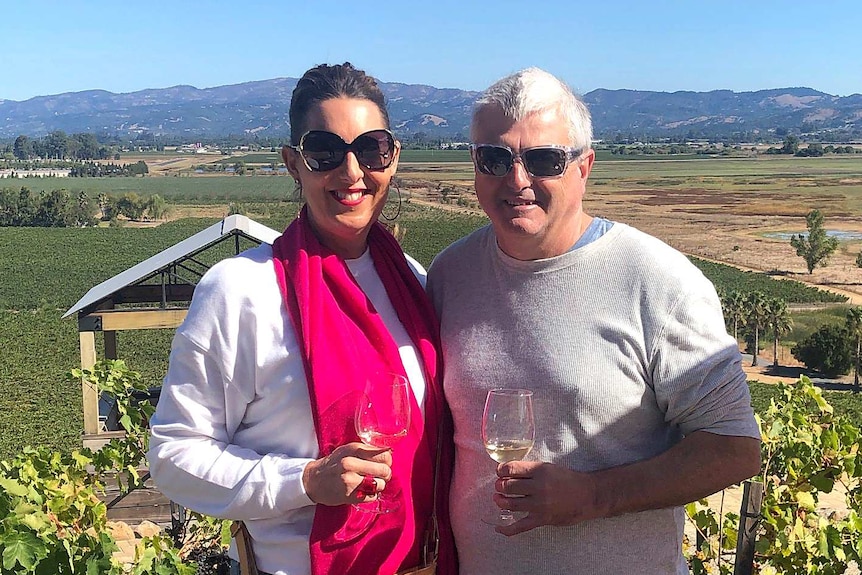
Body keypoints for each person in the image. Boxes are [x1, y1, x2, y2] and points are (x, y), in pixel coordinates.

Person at [426, 67, 761, 574]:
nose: (516, 180)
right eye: (494, 159)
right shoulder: (451, 274)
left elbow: (733, 448)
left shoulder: (659, 281)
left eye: (543, 160)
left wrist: (594, 495)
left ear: (584, 167)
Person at [148, 62, 455, 575]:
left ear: (393, 157)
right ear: (294, 163)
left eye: (370, 148)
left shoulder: (414, 281)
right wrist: (306, 481)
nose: (352, 171)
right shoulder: (242, 291)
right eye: (325, 151)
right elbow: (174, 457)